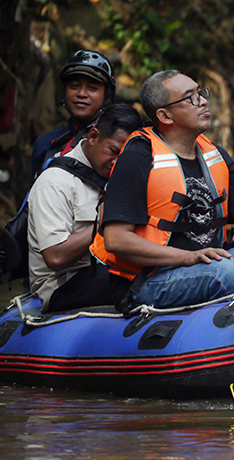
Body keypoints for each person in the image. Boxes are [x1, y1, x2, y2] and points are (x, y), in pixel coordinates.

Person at [91, 70, 234, 310]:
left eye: (200, 93)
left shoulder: (216, 155)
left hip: (210, 263)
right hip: (149, 279)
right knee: (223, 273)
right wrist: (187, 257)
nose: (203, 101)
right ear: (165, 115)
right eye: (190, 97)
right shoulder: (138, 157)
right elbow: (116, 240)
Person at [27, 105, 143, 312]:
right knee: (142, 281)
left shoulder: (124, 175)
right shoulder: (55, 182)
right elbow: (55, 257)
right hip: (62, 284)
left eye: (124, 156)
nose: (117, 163)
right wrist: (104, 224)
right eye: (113, 151)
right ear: (93, 136)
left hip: (109, 269)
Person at [31, 50, 115, 181]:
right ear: (64, 92)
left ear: (107, 97)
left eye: (92, 88)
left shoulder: (118, 145)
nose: (82, 93)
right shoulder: (45, 144)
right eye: (74, 86)